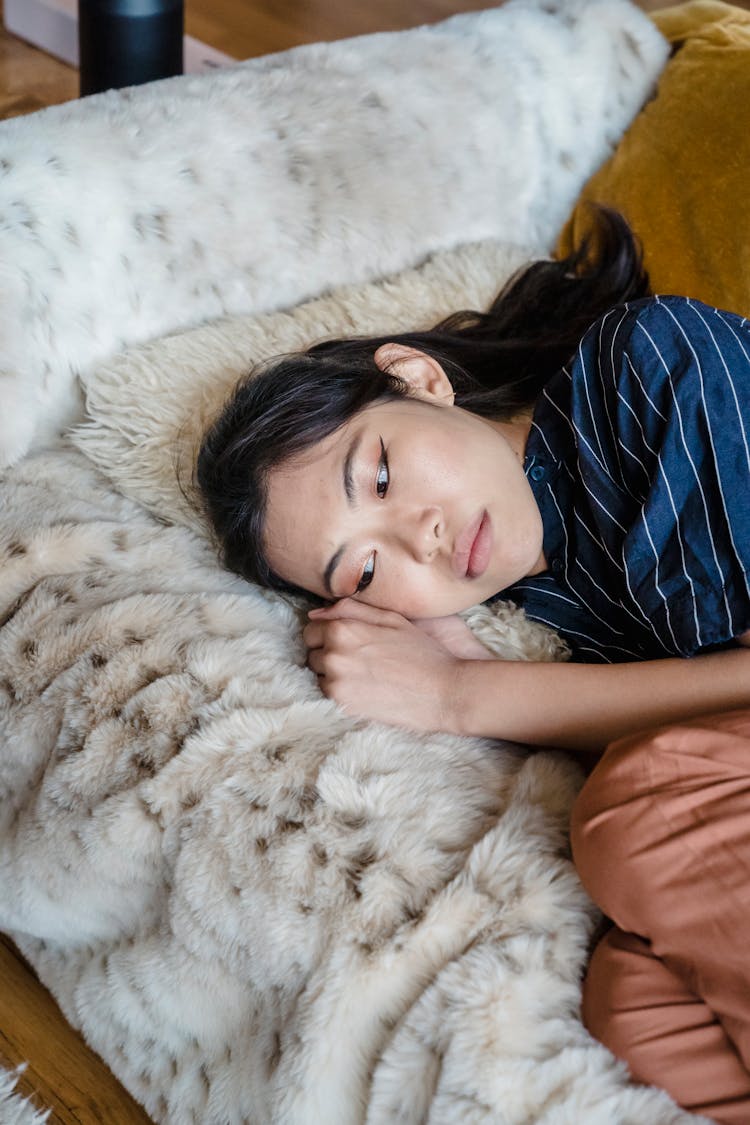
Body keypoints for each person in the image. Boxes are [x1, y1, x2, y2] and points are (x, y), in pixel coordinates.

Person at [196, 208, 750, 1122]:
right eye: (368, 568)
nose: (422, 536)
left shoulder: (648, 368)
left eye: (377, 475)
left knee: (637, 813)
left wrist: (466, 694)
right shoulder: (546, 593)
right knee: (632, 1004)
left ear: (418, 380)